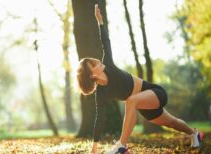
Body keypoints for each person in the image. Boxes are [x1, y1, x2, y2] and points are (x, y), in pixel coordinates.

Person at [76, 4, 204, 154]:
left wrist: (100, 22)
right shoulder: (101, 93)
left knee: (131, 101)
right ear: (92, 75)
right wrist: (94, 147)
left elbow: (106, 42)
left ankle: (122, 146)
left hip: (154, 92)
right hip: (144, 106)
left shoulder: (108, 64)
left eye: (95, 60)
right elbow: (100, 119)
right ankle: (195, 133)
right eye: (93, 64)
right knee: (172, 122)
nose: (98, 61)